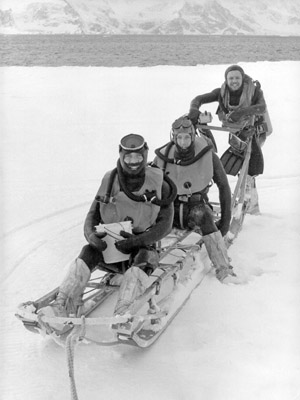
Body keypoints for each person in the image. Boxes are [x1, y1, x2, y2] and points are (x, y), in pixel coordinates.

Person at [39, 133, 177, 330]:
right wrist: (92, 236)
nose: (133, 162)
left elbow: (165, 225)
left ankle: (124, 310)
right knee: (87, 251)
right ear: (121, 156)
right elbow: (91, 216)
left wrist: (137, 241)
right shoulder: (109, 180)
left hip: (142, 248)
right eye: (128, 157)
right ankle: (62, 304)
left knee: (145, 256)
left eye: (137, 157)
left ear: (145, 156)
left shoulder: (160, 184)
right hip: (111, 249)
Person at [153, 115, 236, 283]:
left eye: (186, 138)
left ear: (192, 136)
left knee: (203, 215)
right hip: (171, 211)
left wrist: (225, 221)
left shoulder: (207, 155)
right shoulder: (162, 158)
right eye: (179, 138)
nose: (183, 142)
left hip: (195, 209)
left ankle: (223, 267)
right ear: (173, 138)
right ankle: (140, 264)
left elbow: (224, 187)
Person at [188, 64, 271, 215]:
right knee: (239, 158)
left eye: (237, 78)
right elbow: (198, 99)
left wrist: (241, 112)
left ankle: (250, 203)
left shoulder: (254, 91)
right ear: (226, 80)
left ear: (242, 78)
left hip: (256, 131)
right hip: (237, 131)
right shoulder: (221, 93)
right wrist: (194, 110)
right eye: (231, 78)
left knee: (249, 162)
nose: (234, 81)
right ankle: (249, 201)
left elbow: (262, 107)